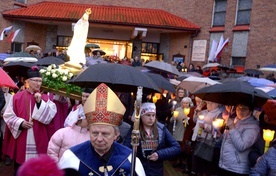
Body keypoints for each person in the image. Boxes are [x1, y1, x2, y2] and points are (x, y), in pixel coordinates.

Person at [58, 83, 145, 176]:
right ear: (89, 131)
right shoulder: (72, 157)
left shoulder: (129, 159)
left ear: (116, 134)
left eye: (105, 134)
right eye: (95, 133)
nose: (99, 139)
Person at [3, 66, 57, 175]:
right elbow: (8, 115)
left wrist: (39, 103)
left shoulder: (46, 99)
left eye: (40, 81)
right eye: (36, 81)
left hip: (40, 135)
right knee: (20, 167)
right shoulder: (17, 97)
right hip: (23, 135)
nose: (38, 84)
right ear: (28, 81)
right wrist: (21, 123)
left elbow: (50, 116)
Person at [123, 102, 182, 176]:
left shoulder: (161, 128)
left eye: (153, 115)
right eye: (148, 115)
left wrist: (159, 154)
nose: (151, 118)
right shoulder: (134, 129)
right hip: (139, 170)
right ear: (141, 116)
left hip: (156, 170)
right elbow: (125, 149)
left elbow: (176, 147)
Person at [47, 88, 93, 162]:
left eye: (87, 96)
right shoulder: (76, 108)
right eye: (83, 96)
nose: (84, 99)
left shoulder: (97, 111)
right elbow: (67, 123)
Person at [218, 103, 260, 176]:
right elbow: (230, 141)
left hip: (237, 168)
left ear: (250, 111)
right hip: (225, 165)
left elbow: (241, 146)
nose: (240, 111)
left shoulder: (253, 126)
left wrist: (232, 128)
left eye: (244, 109)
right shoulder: (235, 120)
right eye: (238, 108)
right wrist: (221, 136)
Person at [191, 101, 223, 176]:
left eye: (212, 103)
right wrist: (197, 112)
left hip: (207, 141)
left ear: (217, 104)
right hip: (198, 138)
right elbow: (195, 120)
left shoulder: (218, 114)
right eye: (208, 103)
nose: (209, 105)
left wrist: (205, 126)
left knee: (204, 163)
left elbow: (216, 129)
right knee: (195, 161)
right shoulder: (204, 111)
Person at [170, 97, 193, 168]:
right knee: (177, 146)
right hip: (178, 130)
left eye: (186, 103)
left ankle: (183, 162)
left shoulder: (191, 110)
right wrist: (174, 118)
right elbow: (171, 120)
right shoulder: (178, 110)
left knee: (184, 147)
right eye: (183, 103)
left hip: (185, 131)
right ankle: (176, 161)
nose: (185, 104)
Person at [1, 86, 12, 165]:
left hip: (7, 120)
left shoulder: (12, 97)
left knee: (7, 138)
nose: (5, 87)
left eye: (6, 86)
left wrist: (5, 115)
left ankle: (8, 156)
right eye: (3, 86)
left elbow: (12, 108)